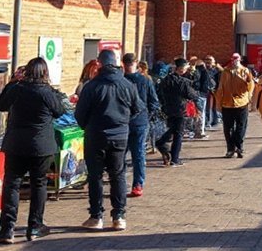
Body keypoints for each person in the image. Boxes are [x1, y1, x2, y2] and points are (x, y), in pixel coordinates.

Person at [0, 57, 65, 244]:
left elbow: (0, 105)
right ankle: (35, 226)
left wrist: (12, 82)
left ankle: (7, 229)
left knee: (12, 184)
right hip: (41, 146)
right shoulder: (47, 92)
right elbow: (60, 111)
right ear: (45, 73)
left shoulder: (17, 89)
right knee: (38, 184)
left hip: (16, 145)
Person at [75, 49, 140, 231]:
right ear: (117, 63)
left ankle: (96, 216)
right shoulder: (127, 85)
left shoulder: (91, 86)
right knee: (118, 175)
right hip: (119, 135)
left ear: (99, 63)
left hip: (95, 135)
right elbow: (138, 108)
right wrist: (124, 122)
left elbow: (80, 114)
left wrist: (87, 125)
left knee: (95, 176)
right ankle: (119, 216)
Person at [122, 53, 159, 197]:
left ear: (136, 63)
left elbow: (153, 101)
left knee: (137, 155)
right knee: (122, 156)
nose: (128, 66)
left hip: (138, 123)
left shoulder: (144, 81)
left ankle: (137, 184)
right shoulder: (121, 80)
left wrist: (146, 117)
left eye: (130, 64)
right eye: (127, 64)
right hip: (125, 123)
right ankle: (121, 184)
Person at [156, 57, 200, 166]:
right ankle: (174, 157)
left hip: (168, 108)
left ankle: (163, 145)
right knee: (178, 133)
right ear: (181, 69)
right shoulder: (183, 82)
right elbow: (192, 95)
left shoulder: (166, 80)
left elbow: (159, 93)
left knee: (173, 129)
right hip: (181, 109)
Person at [218, 53, 255, 158]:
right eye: (233, 60)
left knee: (241, 126)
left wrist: (249, 96)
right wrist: (219, 102)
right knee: (228, 128)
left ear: (240, 60)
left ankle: (239, 147)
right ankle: (230, 149)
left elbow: (250, 86)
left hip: (241, 103)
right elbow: (221, 87)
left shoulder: (245, 71)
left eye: (237, 60)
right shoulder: (225, 72)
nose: (235, 62)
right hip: (227, 103)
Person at [189, 56, 216, 139]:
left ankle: (198, 130)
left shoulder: (196, 72)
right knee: (201, 113)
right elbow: (210, 84)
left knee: (197, 113)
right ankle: (200, 131)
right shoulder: (204, 72)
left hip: (197, 94)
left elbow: (195, 83)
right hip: (202, 95)